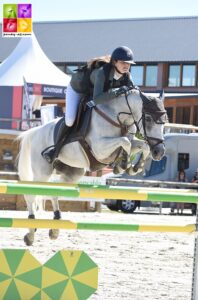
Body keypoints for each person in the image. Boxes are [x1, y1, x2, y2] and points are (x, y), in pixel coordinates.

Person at [42, 46, 136, 163]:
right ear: (115, 62)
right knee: (70, 119)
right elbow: (97, 99)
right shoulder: (102, 73)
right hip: (78, 90)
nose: (126, 66)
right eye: (123, 62)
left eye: (129, 63)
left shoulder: (127, 75)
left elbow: (132, 91)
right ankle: (55, 150)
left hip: (96, 92)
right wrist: (119, 91)